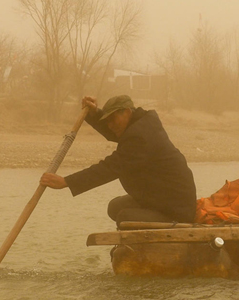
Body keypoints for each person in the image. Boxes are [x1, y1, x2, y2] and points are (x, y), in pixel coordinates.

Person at [40, 95, 197, 226]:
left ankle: (141, 251)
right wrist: (93, 113)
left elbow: (109, 168)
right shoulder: (140, 124)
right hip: (160, 200)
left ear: (127, 112)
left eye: (113, 118)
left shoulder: (140, 136)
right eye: (107, 120)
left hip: (176, 209)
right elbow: (114, 130)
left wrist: (67, 182)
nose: (110, 125)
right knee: (115, 207)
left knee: (124, 217)